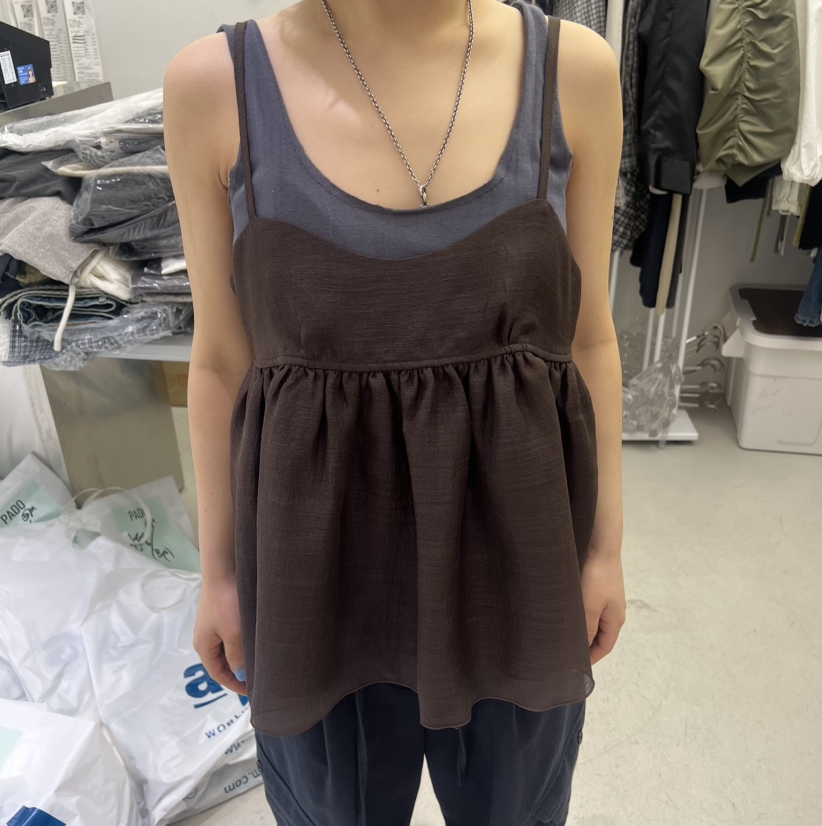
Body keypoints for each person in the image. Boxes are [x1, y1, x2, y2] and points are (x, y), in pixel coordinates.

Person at [164, 0, 625, 822]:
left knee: (515, 808)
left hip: (518, 556)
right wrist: (222, 576)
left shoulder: (574, 70)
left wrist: (603, 552)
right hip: (312, 571)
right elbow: (222, 360)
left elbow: (588, 340)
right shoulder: (213, 85)